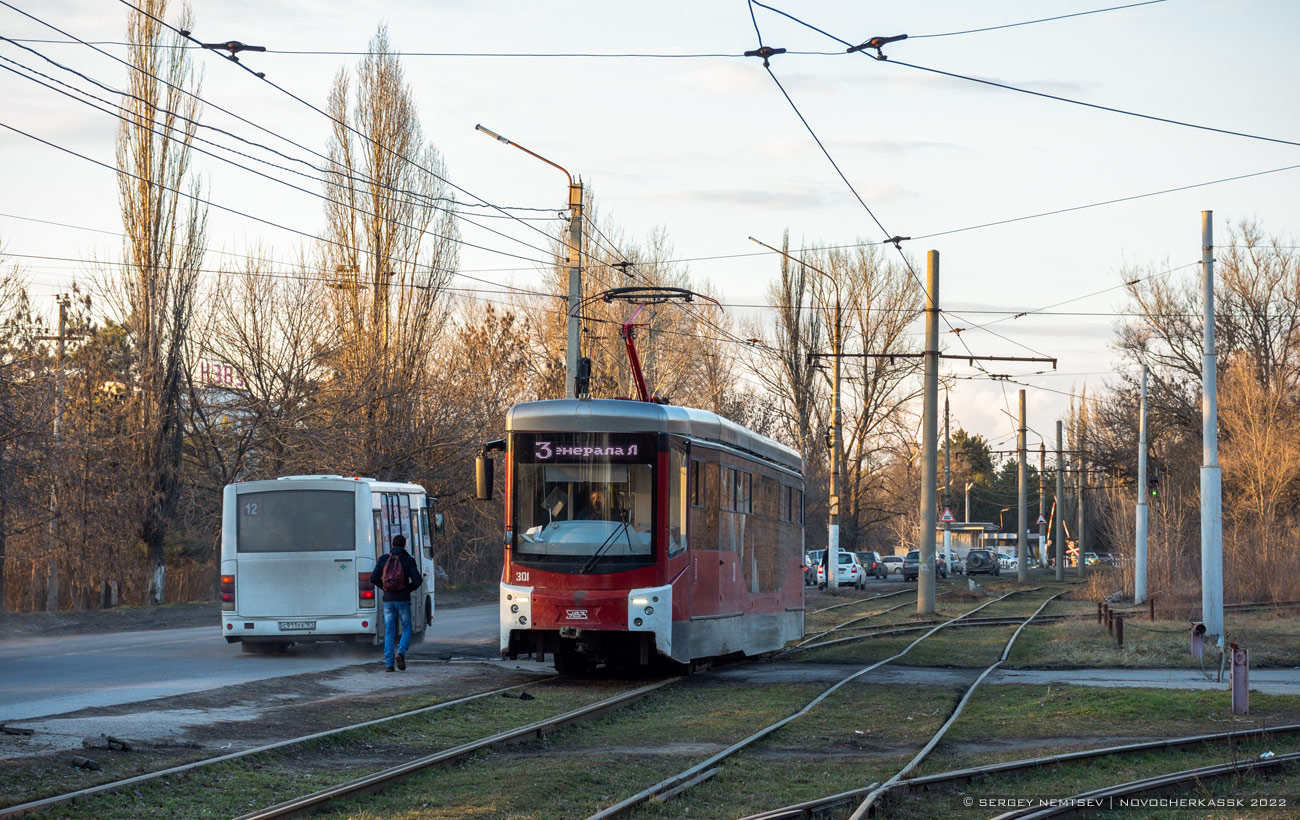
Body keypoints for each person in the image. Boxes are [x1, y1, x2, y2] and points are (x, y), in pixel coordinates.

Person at [370, 534, 423, 672]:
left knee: (389, 632)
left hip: (388, 600)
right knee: (406, 628)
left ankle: (389, 664)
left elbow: (373, 578)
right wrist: (406, 590)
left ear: (392, 545)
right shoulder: (408, 560)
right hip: (403, 600)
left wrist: (385, 589)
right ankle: (400, 653)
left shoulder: (383, 559)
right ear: (405, 545)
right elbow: (418, 580)